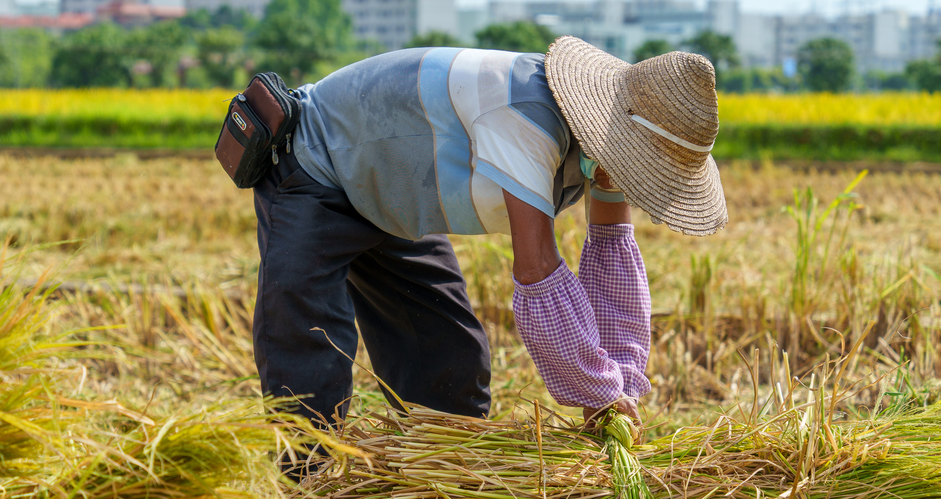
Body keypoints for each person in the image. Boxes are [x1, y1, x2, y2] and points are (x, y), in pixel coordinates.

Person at [251, 36, 726, 473]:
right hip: (315, 168)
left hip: (394, 199)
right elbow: (538, 271)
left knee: (450, 363)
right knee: (312, 360)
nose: (630, 180)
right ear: (612, 133)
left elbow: (613, 264)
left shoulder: (605, 156)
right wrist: (596, 392)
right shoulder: (526, 116)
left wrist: (621, 377)